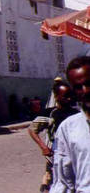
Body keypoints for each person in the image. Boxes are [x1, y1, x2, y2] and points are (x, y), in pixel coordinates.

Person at [29, 80, 78, 192]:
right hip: (54, 154)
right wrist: (43, 147)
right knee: (53, 180)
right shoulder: (50, 114)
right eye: (65, 96)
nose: (69, 99)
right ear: (56, 97)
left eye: (70, 96)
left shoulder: (76, 113)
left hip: (73, 154)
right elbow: (32, 129)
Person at [53, 56, 90, 193]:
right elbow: (63, 181)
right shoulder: (68, 128)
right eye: (78, 87)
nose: (85, 91)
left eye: (89, 83)